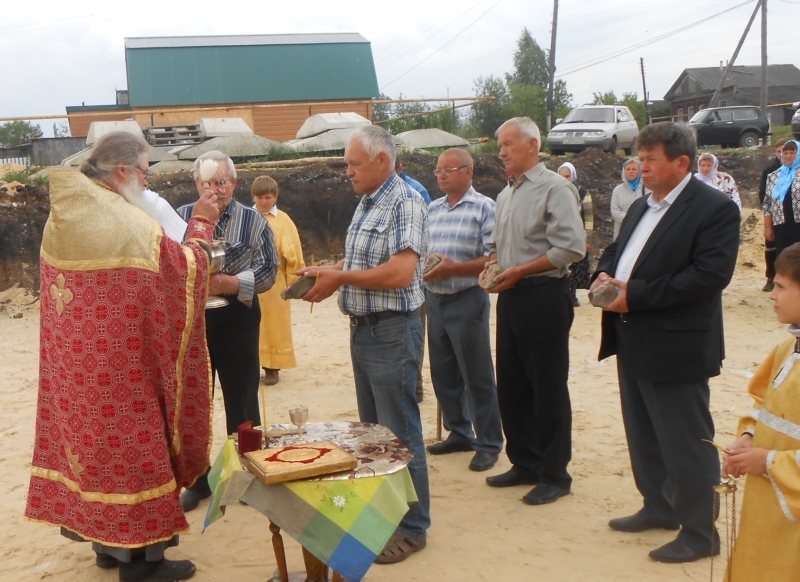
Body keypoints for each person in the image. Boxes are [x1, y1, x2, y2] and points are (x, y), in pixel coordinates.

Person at [25, 131, 220, 582]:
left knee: (95, 459)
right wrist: (203, 223)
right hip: (124, 377)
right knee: (136, 460)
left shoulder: (67, 215)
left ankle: (107, 550)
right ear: (121, 172)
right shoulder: (125, 223)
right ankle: (145, 567)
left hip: (77, 372)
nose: (147, 183)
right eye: (145, 172)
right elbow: (186, 273)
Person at [591, 122, 740, 563]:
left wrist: (633, 296)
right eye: (640, 157)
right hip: (633, 338)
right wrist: (604, 273)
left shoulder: (714, 208)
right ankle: (659, 506)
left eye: (652, 159)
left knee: (686, 441)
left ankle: (700, 533)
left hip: (677, 346)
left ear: (682, 162)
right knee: (644, 433)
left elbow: (710, 276)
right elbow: (616, 252)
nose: (642, 166)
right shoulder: (641, 206)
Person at [298, 125, 430, 564]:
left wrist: (341, 278)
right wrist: (329, 270)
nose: (347, 170)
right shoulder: (368, 201)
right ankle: (384, 518)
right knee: (374, 435)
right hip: (366, 330)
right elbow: (360, 262)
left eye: (354, 163)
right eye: (347, 162)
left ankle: (412, 527)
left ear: (382, 161)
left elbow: (399, 273)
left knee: (399, 434)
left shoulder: (406, 201)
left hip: (391, 331)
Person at [481, 117, 585, 506]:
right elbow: (498, 243)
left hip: (544, 294)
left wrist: (521, 270)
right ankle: (524, 462)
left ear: (532, 144)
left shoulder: (555, 188)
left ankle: (555, 473)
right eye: (500, 145)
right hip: (510, 296)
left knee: (547, 385)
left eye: (508, 144)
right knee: (512, 384)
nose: (502, 152)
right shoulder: (506, 193)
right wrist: (492, 263)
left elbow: (571, 248)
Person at [176, 151, 278, 512]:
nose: (214, 190)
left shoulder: (255, 221)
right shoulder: (181, 219)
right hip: (192, 321)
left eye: (221, 182)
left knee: (243, 399)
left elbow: (269, 271)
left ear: (234, 183)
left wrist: (229, 283)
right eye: (206, 182)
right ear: (196, 185)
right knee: (193, 400)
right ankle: (198, 478)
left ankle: (250, 473)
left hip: (238, 317)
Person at [722, 242, 800, 581]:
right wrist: (749, 436)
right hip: (769, 502)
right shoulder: (787, 349)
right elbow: (765, 404)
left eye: (781, 286)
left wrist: (769, 462)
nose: (772, 294)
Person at [423, 148, 503, 472]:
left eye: (448, 169)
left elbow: (495, 257)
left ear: (468, 172)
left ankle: (488, 442)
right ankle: (459, 432)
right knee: (443, 373)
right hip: (434, 300)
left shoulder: (484, 207)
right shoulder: (433, 208)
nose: (441, 175)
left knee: (477, 375)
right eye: (438, 170)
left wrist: (454, 269)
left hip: (467, 298)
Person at [252, 175, 305, 386]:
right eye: (259, 197)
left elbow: (294, 254)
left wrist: (296, 283)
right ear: (253, 197)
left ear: (275, 197)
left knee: (273, 326)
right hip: (247, 281)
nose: (263, 201)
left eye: (268, 197)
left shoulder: (283, 221)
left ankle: (272, 368)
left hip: (274, 283)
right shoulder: (246, 217)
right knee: (249, 325)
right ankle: (250, 367)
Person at [395, 156, 430, 402]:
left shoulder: (415, 193)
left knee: (413, 335)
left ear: (400, 168)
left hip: (414, 278)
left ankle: (415, 386)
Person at [557, 162, 593, 307]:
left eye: (568, 176)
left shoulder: (583, 193)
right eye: (562, 176)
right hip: (560, 236)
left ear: (573, 176)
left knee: (577, 266)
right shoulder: (554, 192)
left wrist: (588, 239)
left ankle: (572, 294)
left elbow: (589, 217)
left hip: (578, 236)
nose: (565, 179)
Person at [759, 138, 789, 291]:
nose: (783, 155)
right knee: (772, 248)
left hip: (793, 219)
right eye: (779, 152)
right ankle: (771, 277)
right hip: (774, 217)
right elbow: (764, 196)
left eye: (787, 152)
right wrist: (768, 221)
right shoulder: (769, 172)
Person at [763, 140, 800, 262]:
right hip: (781, 226)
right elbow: (767, 204)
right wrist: (768, 228)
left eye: (792, 153)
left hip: (798, 224)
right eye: (786, 153)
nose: (788, 156)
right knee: (784, 259)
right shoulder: (773, 176)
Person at [610, 159, 645, 240]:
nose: (631, 171)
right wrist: (630, 219)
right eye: (628, 169)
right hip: (622, 231)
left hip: (642, 229)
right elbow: (614, 210)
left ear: (639, 170)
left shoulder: (647, 188)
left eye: (634, 169)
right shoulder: (618, 190)